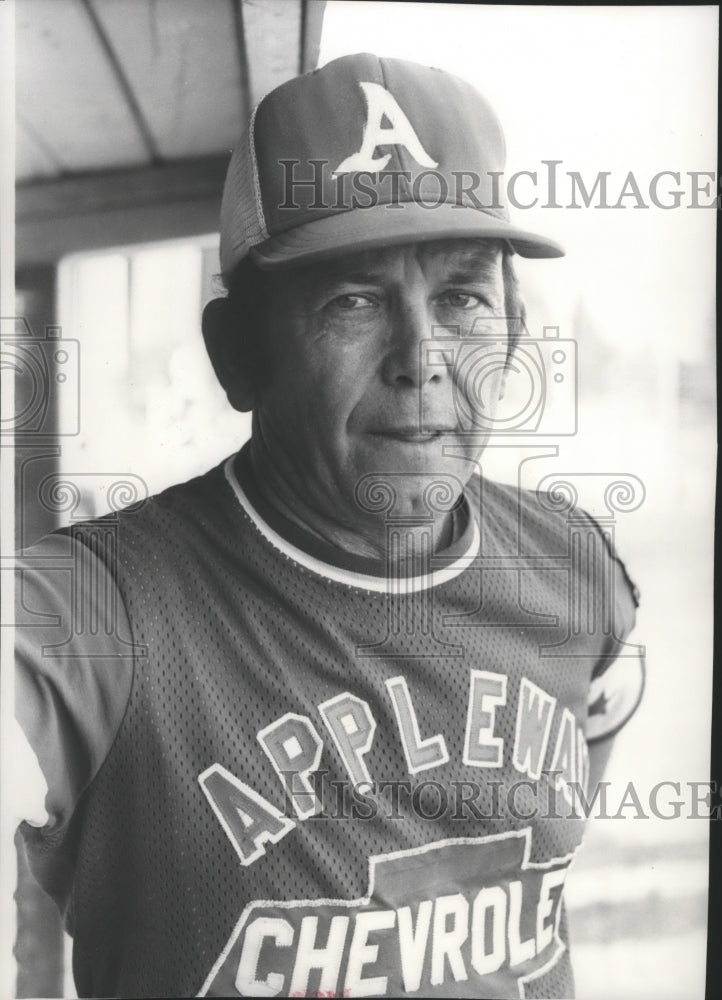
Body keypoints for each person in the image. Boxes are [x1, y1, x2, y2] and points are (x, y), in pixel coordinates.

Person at [15, 53, 644, 999]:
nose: (421, 360)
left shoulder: (579, 569)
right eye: (353, 301)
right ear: (238, 356)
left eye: (464, 297)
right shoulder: (87, 614)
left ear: (513, 335)